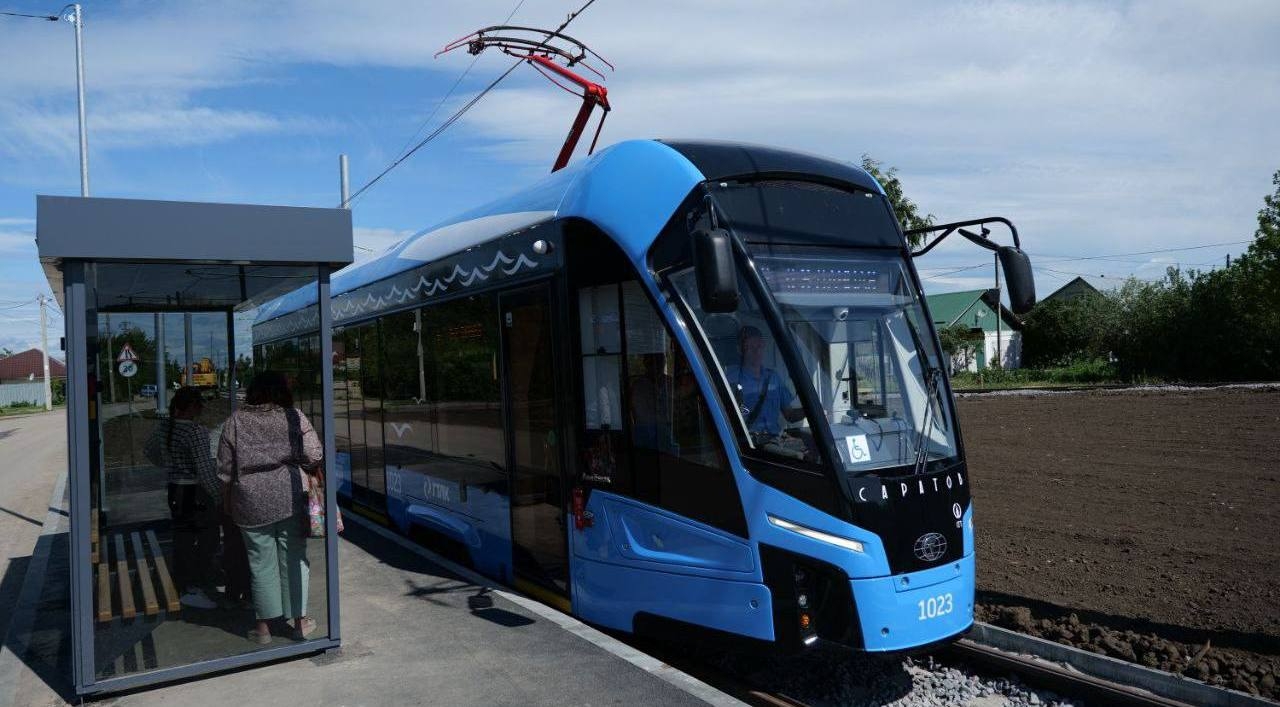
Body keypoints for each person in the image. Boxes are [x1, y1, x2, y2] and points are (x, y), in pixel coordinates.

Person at [217, 371, 323, 644]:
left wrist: (227, 501)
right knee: (294, 557)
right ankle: (299, 622)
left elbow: (225, 470)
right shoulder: (293, 416)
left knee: (260, 562)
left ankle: (263, 629)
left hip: (250, 499)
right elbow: (314, 453)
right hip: (289, 494)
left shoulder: (235, 420)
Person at [143, 387, 222, 610]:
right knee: (208, 538)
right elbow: (204, 470)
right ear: (192, 407)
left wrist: (170, 465)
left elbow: (149, 451)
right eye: (199, 405)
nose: (201, 409)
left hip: (175, 489)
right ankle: (195, 584)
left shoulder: (165, 426)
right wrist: (219, 497)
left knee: (183, 538)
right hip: (195, 491)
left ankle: (186, 584)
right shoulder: (196, 432)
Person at [723, 325, 805, 437]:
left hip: (774, 440)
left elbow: (790, 415)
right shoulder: (730, 378)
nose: (756, 351)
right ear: (740, 349)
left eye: (759, 346)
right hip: (746, 442)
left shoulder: (773, 377)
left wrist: (811, 411)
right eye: (750, 347)